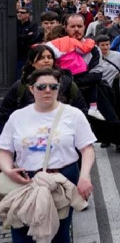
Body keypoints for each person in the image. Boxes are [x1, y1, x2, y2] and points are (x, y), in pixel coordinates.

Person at [0, 68, 96, 243]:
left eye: (53, 86)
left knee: (59, 232)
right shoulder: (18, 117)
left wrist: (84, 176)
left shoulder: (73, 115)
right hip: (25, 180)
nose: (47, 90)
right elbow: (4, 150)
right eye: (41, 86)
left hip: (61, 179)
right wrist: (7, 170)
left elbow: (87, 149)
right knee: (21, 230)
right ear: (31, 89)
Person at [0, 45, 87, 135]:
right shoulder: (21, 86)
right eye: (41, 58)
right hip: (27, 137)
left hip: (61, 137)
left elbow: (81, 110)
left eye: (49, 57)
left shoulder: (67, 83)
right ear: (32, 62)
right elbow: (5, 114)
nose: (46, 61)